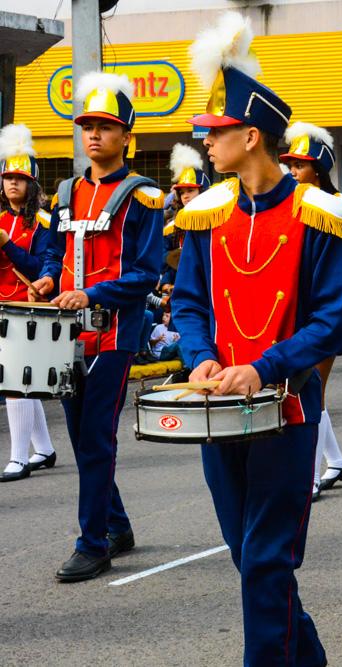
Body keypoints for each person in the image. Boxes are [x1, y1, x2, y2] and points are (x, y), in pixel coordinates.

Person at [170, 13, 342, 665]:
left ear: (251, 136)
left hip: (287, 411)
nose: (206, 142)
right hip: (220, 413)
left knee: (268, 560)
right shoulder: (206, 214)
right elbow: (190, 303)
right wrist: (199, 357)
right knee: (253, 561)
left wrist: (263, 366)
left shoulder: (318, 217)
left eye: (216, 133)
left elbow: (331, 322)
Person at [31, 73, 164, 581]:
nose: (93, 135)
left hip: (113, 334)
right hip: (67, 333)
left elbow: (145, 273)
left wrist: (91, 293)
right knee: (83, 437)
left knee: (95, 439)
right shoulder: (66, 190)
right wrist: (46, 279)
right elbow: (54, 252)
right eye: (87, 125)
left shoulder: (143, 197)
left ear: (126, 136)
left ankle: (93, 543)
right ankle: (118, 525)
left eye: (105, 127)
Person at [280, 120, 342, 500]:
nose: (292, 172)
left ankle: (311, 477)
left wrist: (327, 279)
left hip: (325, 313)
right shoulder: (286, 206)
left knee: (311, 394)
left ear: (317, 168)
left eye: (299, 165)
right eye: (289, 164)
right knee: (303, 391)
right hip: (290, 314)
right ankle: (334, 461)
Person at [0, 124, 57, 483]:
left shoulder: (43, 223)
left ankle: (19, 458)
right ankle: (45, 449)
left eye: (20, 179)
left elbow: (41, 267)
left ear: (32, 184)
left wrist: (6, 243)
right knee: (21, 380)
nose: (12, 184)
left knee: (14, 381)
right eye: (7, 178)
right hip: (1, 306)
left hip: (28, 308)